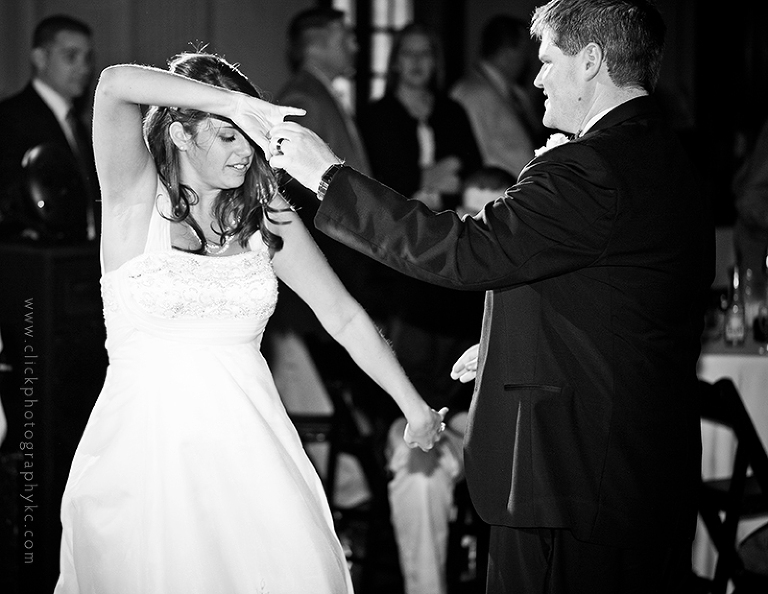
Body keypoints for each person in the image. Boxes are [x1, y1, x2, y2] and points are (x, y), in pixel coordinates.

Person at [266, 0, 713, 592]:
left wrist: (330, 178)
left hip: (573, 475)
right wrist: (519, 339)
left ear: (590, 61)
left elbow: (464, 251)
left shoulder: (589, 167)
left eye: (547, 60)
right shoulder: (667, 154)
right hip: (642, 465)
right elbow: (626, 296)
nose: (537, 78)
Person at [53, 51, 446, 594]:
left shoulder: (264, 213)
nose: (245, 150)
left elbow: (342, 314)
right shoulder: (133, 199)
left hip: (253, 456)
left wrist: (413, 405)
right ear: (181, 134)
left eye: (250, 135)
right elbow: (114, 84)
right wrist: (234, 103)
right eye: (228, 135)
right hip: (146, 460)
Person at [357, 24, 482, 594]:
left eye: (424, 54)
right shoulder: (378, 118)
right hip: (407, 270)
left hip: (494, 419)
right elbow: (369, 194)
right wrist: (421, 183)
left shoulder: (452, 114)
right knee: (421, 480)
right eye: (405, 55)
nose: (416, 64)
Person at [0, 14, 98, 241]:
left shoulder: (77, 124)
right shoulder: (9, 117)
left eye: (88, 58)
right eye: (71, 56)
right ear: (40, 58)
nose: (84, 68)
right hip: (39, 254)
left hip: (80, 250)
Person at [451, 14, 544, 179]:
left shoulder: (516, 93)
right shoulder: (470, 93)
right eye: (525, 51)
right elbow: (473, 154)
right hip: (498, 188)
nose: (527, 59)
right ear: (508, 52)